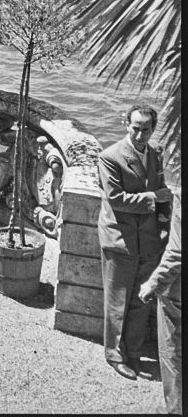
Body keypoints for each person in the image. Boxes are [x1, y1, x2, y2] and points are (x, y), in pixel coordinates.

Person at [97, 103, 169, 379]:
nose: (140, 135)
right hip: (120, 238)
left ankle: (134, 352)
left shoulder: (155, 154)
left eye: (146, 130)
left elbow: (162, 188)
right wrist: (152, 199)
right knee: (117, 301)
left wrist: (163, 226)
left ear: (153, 129)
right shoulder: (110, 157)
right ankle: (114, 355)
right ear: (126, 125)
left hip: (148, 239)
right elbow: (115, 199)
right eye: (136, 128)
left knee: (141, 299)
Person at [140, 185, 181, 414]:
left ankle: (174, 408)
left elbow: (177, 252)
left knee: (172, 350)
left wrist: (152, 285)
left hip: (176, 290)